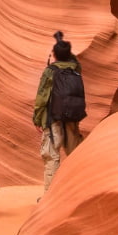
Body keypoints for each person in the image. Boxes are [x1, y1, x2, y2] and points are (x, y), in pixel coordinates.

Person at [32, 31, 86, 192]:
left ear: (54, 55)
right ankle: (80, 191)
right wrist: (64, 46)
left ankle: (50, 196)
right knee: (75, 155)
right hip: (72, 119)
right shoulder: (76, 69)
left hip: (52, 119)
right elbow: (74, 60)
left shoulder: (50, 71)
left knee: (52, 157)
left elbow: (42, 97)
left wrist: (37, 119)